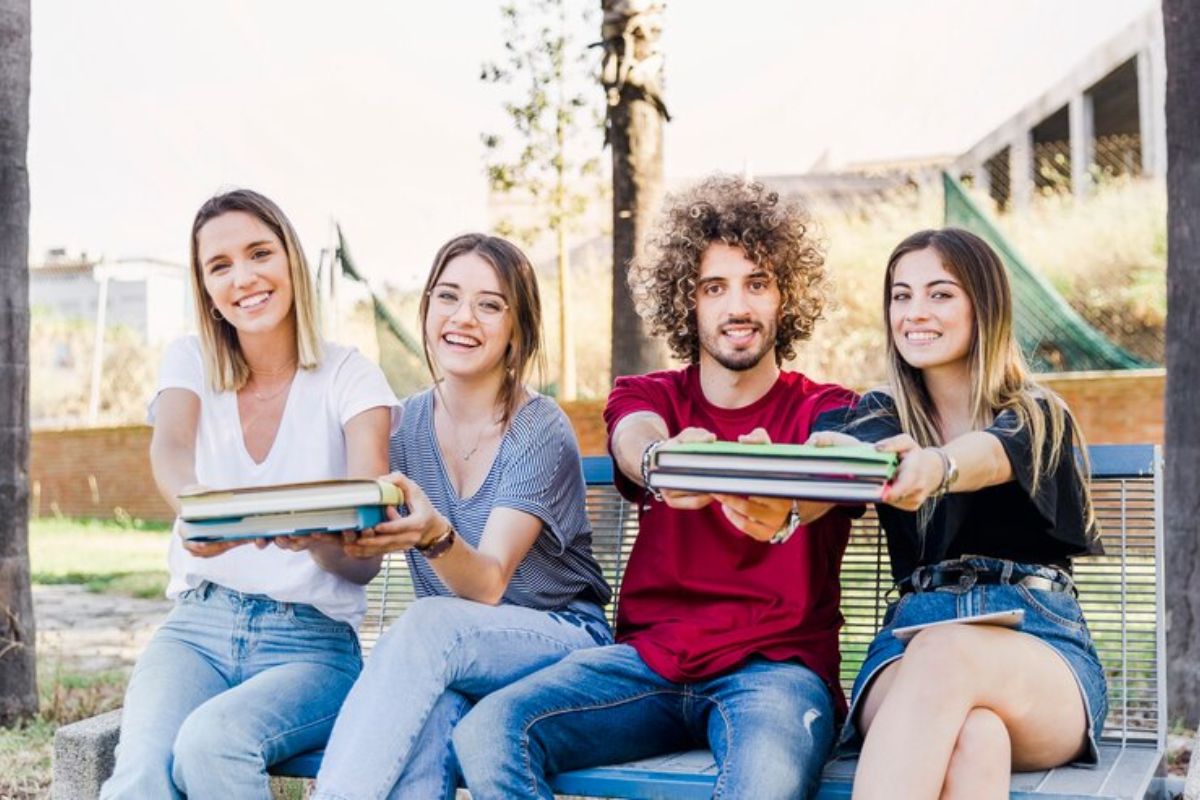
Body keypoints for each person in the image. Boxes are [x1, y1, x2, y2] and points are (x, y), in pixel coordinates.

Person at [452, 175, 859, 800]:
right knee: (489, 731)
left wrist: (782, 494)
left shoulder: (828, 408)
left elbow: (835, 468)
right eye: (713, 288)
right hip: (649, 662)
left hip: (775, 673)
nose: (738, 307)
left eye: (757, 284)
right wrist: (667, 461)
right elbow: (634, 441)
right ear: (686, 302)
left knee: (762, 788)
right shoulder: (651, 398)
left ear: (786, 297)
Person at [101, 190, 400, 799]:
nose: (244, 278)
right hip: (196, 627)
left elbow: (364, 559)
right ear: (205, 287)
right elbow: (171, 448)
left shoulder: (350, 375)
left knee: (211, 743)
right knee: (138, 779)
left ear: (290, 259)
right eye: (220, 266)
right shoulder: (188, 360)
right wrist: (198, 512)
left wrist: (319, 540)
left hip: (311, 644)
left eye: (259, 253)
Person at [311, 233, 613, 800]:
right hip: (457, 653)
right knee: (424, 734)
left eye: (490, 304)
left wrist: (433, 536)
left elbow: (490, 582)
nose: (463, 317)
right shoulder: (401, 427)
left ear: (517, 328)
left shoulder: (539, 427)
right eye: (447, 297)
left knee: (427, 624)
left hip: (563, 640)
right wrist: (310, 535)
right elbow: (356, 549)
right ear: (425, 310)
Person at [810, 228, 1107, 800]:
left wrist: (935, 467)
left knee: (948, 652)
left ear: (984, 306)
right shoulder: (877, 413)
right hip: (907, 648)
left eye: (940, 294)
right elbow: (857, 457)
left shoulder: (1036, 413)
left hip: (1039, 650)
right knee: (975, 736)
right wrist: (843, 460)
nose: (915, 312)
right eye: (901, 295)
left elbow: (989, 456)